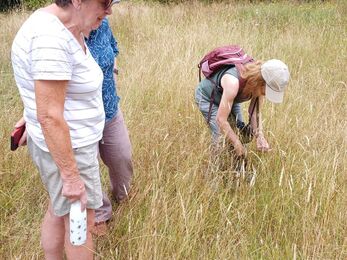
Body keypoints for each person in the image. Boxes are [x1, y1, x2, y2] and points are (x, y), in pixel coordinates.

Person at [11, 0, 114, 258]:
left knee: (59, 212)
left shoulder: (63, 26)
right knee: (80, 224)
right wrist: (71, 177)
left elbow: (45, 93)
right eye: (105, 2)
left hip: (62, 144)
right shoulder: (50, 37)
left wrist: (30, 114)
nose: (109, 9)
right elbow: (50, 114)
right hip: (70, 149)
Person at [86, 17, 133, 234]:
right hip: (82, 120)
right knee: (89, 169)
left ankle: (123, 196)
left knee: (122, 156)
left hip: (111, 109)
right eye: (104, 4)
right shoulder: (67, 35)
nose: (108, 11)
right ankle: (100, 215)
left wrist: (113, 71)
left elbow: (113, 47)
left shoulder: (103, 24)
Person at [195, 59, 290, 160]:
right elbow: (220, 120)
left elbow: (254, 113)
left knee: (239, 132)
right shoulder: (233, 83)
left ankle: (237, 168)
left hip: (231, 99)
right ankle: (215, 168)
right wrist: (237, 144)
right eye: (268, 91)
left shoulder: (258, 85)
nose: (266, 94)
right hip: (208, 98)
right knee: (220, 136)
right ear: (261, 82)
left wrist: (259, 136)